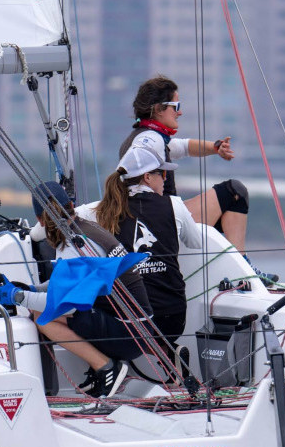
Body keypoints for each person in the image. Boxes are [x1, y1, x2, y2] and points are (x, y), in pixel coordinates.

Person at [0, 181, 153, 398]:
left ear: (39, 220)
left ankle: (106, 368)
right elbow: (64, 281)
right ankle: (102, 368)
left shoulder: (74, 244)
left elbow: (61, 305)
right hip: (138, 328)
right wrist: (32, 288)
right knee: (47, 308)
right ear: (71, 205)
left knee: (41, 317)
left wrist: (17, 296)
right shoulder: (83, 229)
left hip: (130, 335)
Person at [121, 75, 276, 282]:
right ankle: (244, 272)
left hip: (158, 219)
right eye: (176, 106)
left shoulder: (147, 136)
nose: (180, 112)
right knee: (234, 192)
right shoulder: (150, 140)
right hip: (164, 223)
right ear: (158, 109)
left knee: (228, 199)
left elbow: (183, 146)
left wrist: (215, 147)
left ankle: (241, 268)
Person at [79, 145, 202, 360]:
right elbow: (196, 241)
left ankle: (104, 367)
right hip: (172, 321)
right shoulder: (174, 205)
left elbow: (61, 217)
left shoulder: (100, 210)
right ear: (147, 177)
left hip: (131, 324)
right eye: (163, 174)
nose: (165, 180)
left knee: (78, 309)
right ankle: (165, 353)